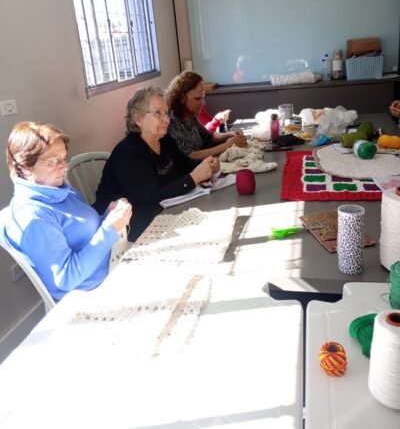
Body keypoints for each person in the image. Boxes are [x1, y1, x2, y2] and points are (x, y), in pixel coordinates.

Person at [0, 122, 132, 301]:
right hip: (92, 293)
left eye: (63, 159)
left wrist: (109, 216)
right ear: (25, 167)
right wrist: (109, 229)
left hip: (114, 265)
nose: (65, 167)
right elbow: (66, 278)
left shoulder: (61, 191)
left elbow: (86, 236)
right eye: (54, 161)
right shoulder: (33, 217)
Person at [93, 86, 219, 242]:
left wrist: (207, 165)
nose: (166, 120)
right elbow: (150, 198)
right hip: (124, 227)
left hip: (160, 211)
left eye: (166, 113)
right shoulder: (128, 152)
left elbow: (185, 165)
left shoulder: (164, 140)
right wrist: (194, 178)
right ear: (138, 119)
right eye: (157, 113)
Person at [166, 71, 247, 159]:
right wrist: (228, 145)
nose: (203, 103)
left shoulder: (189, 115)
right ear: (182, 98)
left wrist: (230, 134)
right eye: (197, 99)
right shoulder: (170, 122)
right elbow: (190, 156)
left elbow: (209, 136)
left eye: (203, 97)